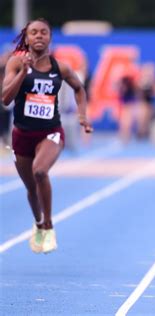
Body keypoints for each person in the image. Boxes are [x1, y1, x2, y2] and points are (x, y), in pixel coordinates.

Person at [1, 18, 93, 254]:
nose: (39, 36)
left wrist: (82, 115)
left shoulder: (59, 68)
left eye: (44, 32)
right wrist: (22, 72)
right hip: (22, 135)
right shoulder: (15, 62)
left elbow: (79, 89)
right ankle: (39, 224)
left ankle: (49, 224)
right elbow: (5, 98)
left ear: (50, 37)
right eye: (34, 33)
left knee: (40, 171)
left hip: (50, 132)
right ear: (27, 37)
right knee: (31, 188)